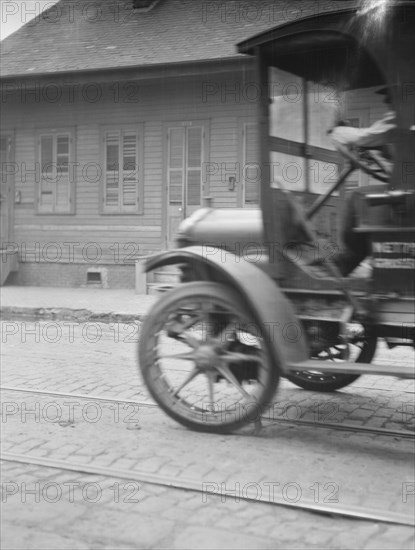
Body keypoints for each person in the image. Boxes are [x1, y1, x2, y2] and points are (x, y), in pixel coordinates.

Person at [328, 87, 397, 276]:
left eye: (390, 98)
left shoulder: (402, 116)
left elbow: (364, 137)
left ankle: (348, 259)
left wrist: (338, 132)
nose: (387, 103)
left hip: (407, 194)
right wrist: (381, 152)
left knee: (355, 197)